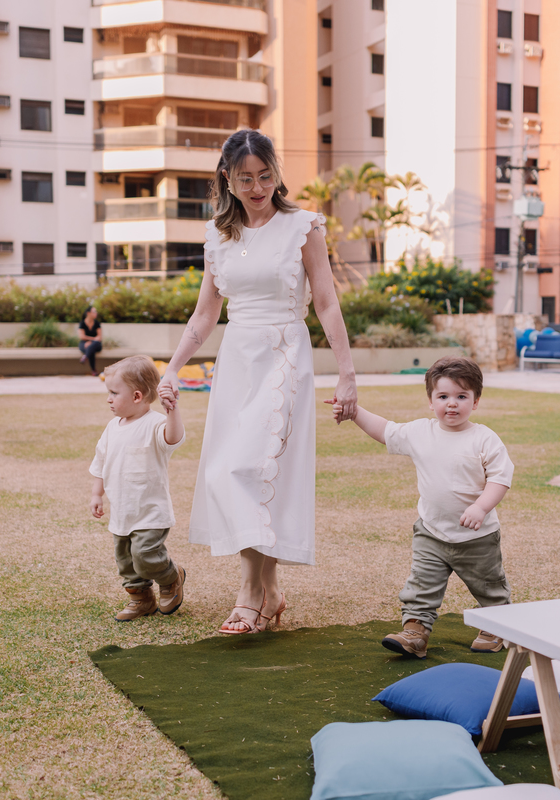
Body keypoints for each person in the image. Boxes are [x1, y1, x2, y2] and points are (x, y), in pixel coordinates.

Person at [158, 130, 358, 635]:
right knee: (231, 471)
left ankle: (249, 595)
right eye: (245, 178)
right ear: (226, 177)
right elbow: (204, 316)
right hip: (237, 360)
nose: (257, 186)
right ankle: (269, 594)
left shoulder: (303, 226)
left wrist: (348, 375)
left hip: (286, 355)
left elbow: (327, 302)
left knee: (250, 468)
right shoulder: (217, 236)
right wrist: (171, 368)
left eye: (266, 175)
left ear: (277, 173)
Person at [332, 356, 515, 659]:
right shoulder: (420, 433)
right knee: (420, 585)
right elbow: (385, 430)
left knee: (489, 586)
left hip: (477, 538)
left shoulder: (484, 439)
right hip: (431, 532)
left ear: (476, 401)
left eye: (461, 396)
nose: (451, 404)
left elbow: (500, 479)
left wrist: (481, 507)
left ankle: (497, 624)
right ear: (431, 401)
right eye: (443, 397)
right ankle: (415, 631)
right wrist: (353, 411)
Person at [89, 356, 187, 622]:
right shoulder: (112, 428)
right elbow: (100, 462)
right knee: (127, 563)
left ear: (136, 396)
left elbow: (173, 438)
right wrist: (97, 493)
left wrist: (172, 411)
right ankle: (141, 599)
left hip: (150, 512)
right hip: (122, 513)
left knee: (144, 555)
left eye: (113, 393)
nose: (108, 399)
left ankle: (171, 577)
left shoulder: (155, 423)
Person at [78, 306, 103, 376]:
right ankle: (93, 370)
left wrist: (91, 342)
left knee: (93, 346)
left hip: (96, 344)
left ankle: (86, 356)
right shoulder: (82, 323)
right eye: (94, 311)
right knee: (91, 349)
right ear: (88, 313)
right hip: (85, 343)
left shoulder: (97, 323)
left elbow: (99, 337)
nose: (96, 313)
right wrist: (92, 340)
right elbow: (82, 336)